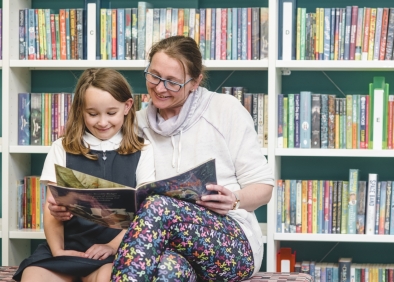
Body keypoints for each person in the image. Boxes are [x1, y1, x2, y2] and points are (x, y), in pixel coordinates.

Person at [111, 35, 274, 281]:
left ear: (195, 81)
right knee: (166, 271)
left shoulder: (225, 110)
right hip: (168, 247)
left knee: (158, 205)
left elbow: (264, 188)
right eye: (153, 76)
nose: (159, 88)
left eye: (172, 82)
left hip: (232, 243)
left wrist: (235, 200)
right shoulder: (137, 124)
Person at [14, 68, 156, 282]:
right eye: (92, 113)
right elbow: (51, 208)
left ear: (127, 107)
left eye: (111, 113)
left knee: (109, 276)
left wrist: (111, 247)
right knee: (33, 276)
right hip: (69, 248)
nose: (102, 122)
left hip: (115, 250)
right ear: (81, 109)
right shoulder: (62, 147)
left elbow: (146, 215)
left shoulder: (143, 150)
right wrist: (58, 250)